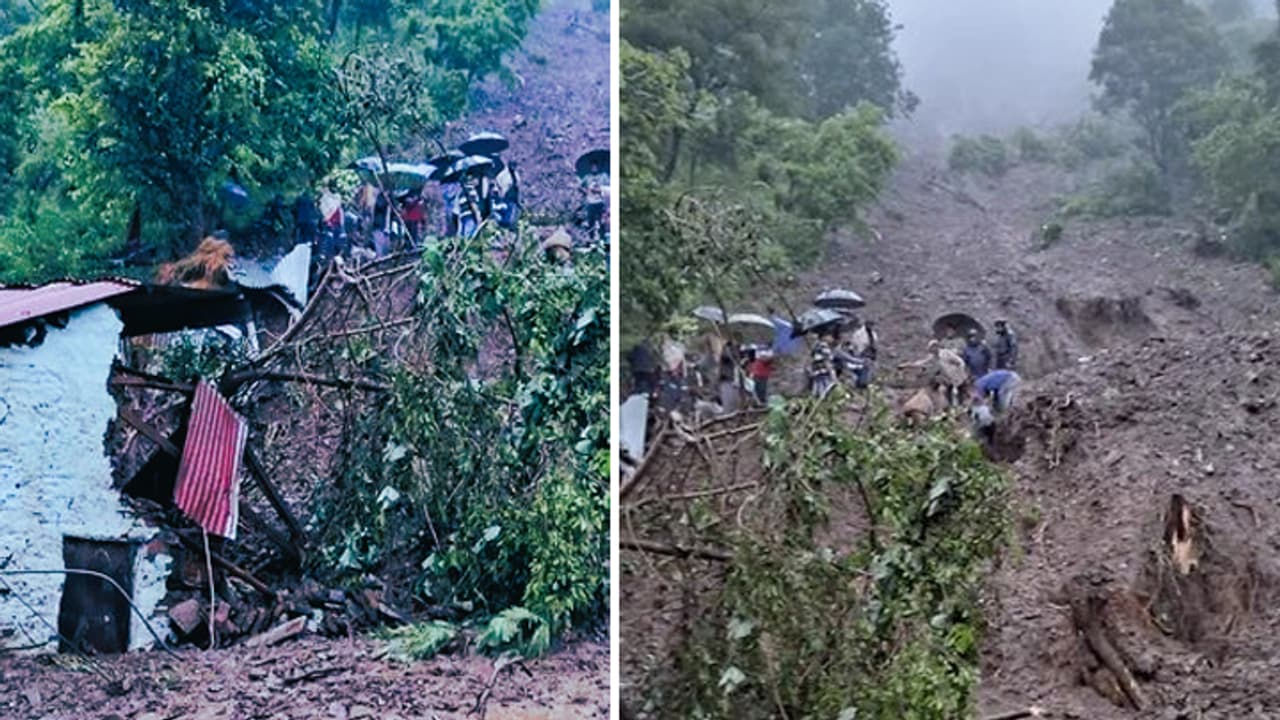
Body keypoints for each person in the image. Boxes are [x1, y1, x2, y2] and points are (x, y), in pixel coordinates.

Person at [581, 162, 607, 238]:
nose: (594, 169)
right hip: (590, 201)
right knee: (590, 221)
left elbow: (609, 186)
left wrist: (601, 190)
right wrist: (585, 191)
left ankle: (602, 237)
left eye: (596, 167)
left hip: (601, 201)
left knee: (602, 220)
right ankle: (591, 238)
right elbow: (580, 187)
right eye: (593, 167)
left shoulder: (603, 176)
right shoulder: (587, 177)